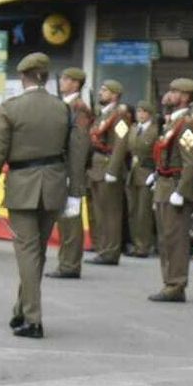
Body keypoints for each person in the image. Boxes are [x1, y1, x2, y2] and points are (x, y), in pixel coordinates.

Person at [0, 53, 90, 338]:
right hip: (54, 184)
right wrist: (76, 193)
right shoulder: (62, 108)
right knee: (36, 252)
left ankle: (33, 319)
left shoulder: (11, 108)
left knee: (27, 252)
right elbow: (77, 152)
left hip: (23, 185)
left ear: (23, 77)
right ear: (46, 77)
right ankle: (21, 309)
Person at [148, 78, 193, 302]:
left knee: (176, 239)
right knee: (165, 238)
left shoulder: (186, 124)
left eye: (174, 91)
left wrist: (182, 190)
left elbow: (192, 162)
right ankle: (169, 281)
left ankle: (176, 283)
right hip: (164, 185)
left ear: (185, 97)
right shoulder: (172, 123)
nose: (168, 95)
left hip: (175, 188)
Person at [49, 68, 94, 279]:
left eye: (67, 79)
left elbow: (79, 145)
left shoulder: (79, 109)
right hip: (60, 168)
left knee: (71, 219)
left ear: (76, 84)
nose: (62, 82)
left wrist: (74, 179)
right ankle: (65, 261)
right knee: (63, 219)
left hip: (70, 170)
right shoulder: (64, 105)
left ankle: (70, 264)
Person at [85, 79, 132, 266]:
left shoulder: (119, 116)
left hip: (107, 165)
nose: (100, 93)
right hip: (96, 167)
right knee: (99, 211)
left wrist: (113, 169)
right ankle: (102, 248)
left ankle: (111, 251)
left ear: (114, 95)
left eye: (105, 90)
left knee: (111, 212)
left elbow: (121, 144)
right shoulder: (102, 115)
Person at [124, 100, 159, 258]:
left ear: (150, 114)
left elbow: (157, 154)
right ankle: (135, 242)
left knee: (143, 211)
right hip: (133, 172)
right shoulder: (133, 129)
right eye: (138, 111)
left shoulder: (155, 131)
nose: (140, 114)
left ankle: (143, 245)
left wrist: (156, 172)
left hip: (146, 172)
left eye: (144, 112)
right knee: (132, 210)